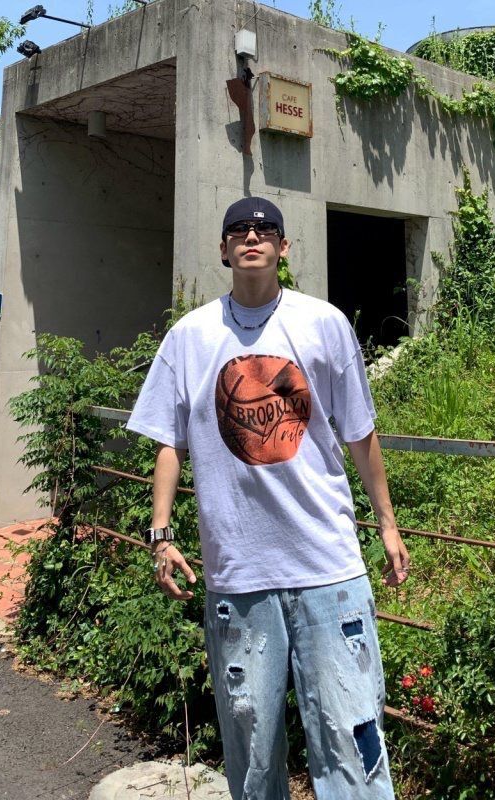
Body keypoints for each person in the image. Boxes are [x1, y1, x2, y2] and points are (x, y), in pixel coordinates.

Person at [126, 196, 410, 800]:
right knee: (252, 750)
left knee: (352, 738)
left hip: (328, 566)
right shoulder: (189, 337)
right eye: (238, 229)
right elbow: (170, 442)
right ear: (223, 249)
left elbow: (360, 433)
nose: (251, 236)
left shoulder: (324, 323)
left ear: (284, 247)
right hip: (238, 572)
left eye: (265, 229)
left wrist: (387, 523)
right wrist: (161, 533)